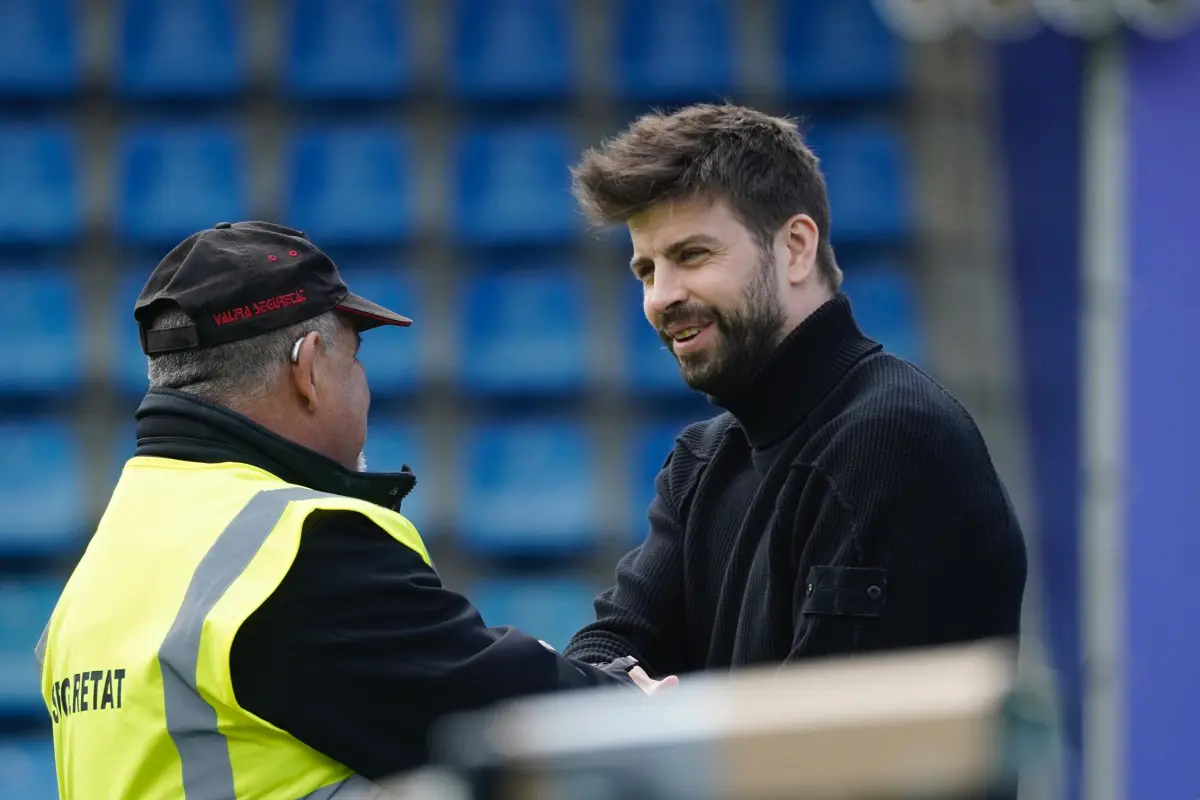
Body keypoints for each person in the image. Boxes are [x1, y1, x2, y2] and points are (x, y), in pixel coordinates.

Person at [36, 221, 674, 799]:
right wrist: (629, 702)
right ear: (308, 370)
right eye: (355, 358)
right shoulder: (294, 545)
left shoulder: (100, 570)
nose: (364, 386)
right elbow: (498, 715)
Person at [564, 104, 1028, 678]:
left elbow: (820, 748)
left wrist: (639, 716)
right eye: (646, 271)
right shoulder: (702, 460)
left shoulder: (890, 442)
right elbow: (611, 643)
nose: (661, 296)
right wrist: (616, 697)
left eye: (692, 255)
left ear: (796, 248)